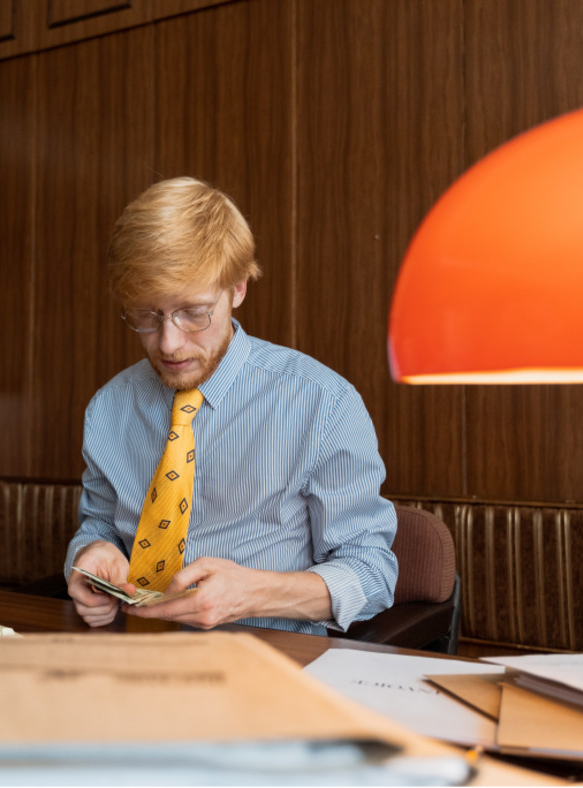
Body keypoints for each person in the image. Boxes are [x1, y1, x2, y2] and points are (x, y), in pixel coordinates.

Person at [64, 177, 397, 636]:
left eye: (193, 312)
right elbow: (99, 523)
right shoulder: (108, 409)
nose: (169, 342)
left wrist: (255, 593)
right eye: (147, 315)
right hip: (132, 661)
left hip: (268, 670)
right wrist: (89, 556)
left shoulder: (322, 402)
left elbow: (373, 573)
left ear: (237, 288)